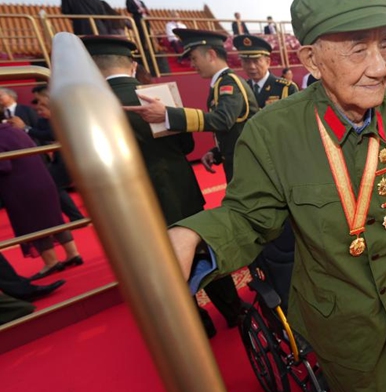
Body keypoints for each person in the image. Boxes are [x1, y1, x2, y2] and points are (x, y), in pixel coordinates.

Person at [166, 0, 386, 392]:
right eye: (357, 48)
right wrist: (193, 238)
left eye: (384, 43)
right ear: (311, 60)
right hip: (343, 324)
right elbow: (247, 217)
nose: (381, 66)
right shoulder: (272, 133)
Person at [81, 35, 239, 336]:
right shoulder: (154, 95)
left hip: (133, 201)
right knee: (204, 248)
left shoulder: (91, 107)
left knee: (162, 263)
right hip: (180, 189)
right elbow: (185, 143)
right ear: (133, 64)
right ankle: (233, 310)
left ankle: (196, 322)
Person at [124, 28, 259, 181]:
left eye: (194, 58)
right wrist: (217, 152)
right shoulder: (221, 83)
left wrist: (168, 114)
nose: (192, 65)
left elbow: (222, 120)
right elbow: (234, 129)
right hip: (238, 161)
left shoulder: (229, 82)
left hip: (247, 164)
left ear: (211, 55)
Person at [0, 123, 84, 280]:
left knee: (33, 224)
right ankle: (73, 253)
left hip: (21, 187)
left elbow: (4, 166)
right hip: (42, 179)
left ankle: (51, 262)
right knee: (54, 219)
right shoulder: (14, 129)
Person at [8, 85, 85, 222]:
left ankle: (76, 218)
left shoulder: (64, 111)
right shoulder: (45, 117)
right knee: (52, 184)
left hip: (73, 154)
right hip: (61, 156)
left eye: (39, 100)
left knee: (54, 185)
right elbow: (45, 132)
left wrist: (25, 128)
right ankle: (74, 218)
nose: (38, 105)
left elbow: (51, 133)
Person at [233, 34, 299, 108]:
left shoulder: (285, 88)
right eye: (246, 61)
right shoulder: (240, 89)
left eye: (256, 61)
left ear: (268, 62)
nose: (251, 66)